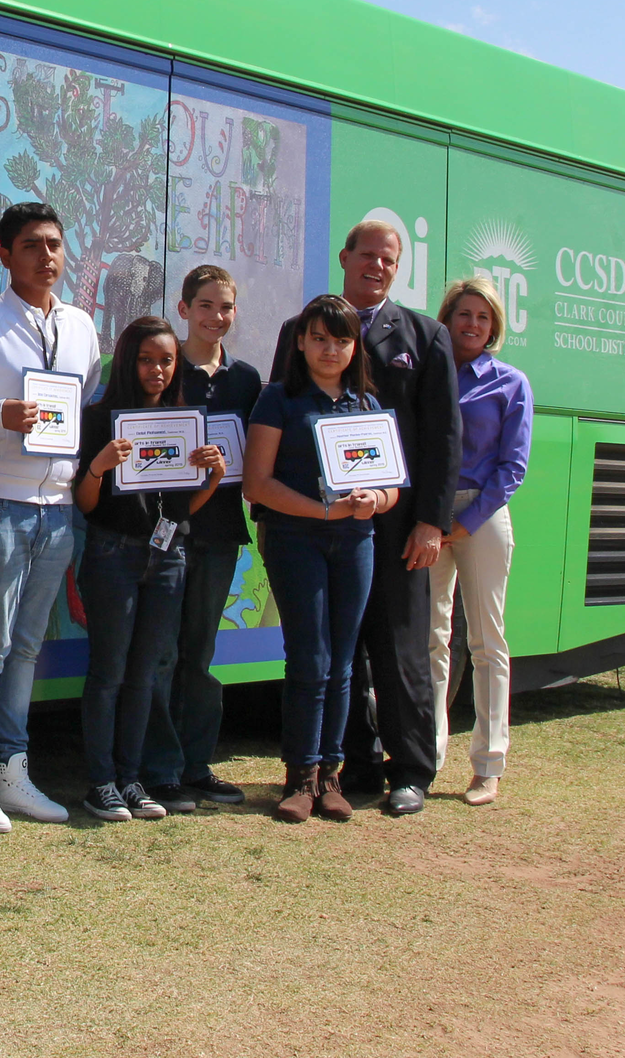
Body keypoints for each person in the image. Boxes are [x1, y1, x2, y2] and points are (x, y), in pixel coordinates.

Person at [269, 221, 460, 816]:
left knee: (400, 647)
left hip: (396, 524)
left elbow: (441, 437)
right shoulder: (297, 331)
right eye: (367, 255)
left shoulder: (426, 337)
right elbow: (277, 427)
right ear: (345, 256)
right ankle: (342, 768)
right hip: (315, 524)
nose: (376, 266)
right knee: (335, 650)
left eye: (388, 259)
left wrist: (431, 521)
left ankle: (410, 770)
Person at [0, 200, 101, 831]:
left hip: (56, 510)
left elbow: (82, 402)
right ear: (5, 255)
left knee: (27, 647)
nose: (47, 256)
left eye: (55, 244)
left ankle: (12, 770)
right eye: (32, 245)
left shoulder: (83, 327)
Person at [245, 294, 399, 824]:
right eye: (319, 338)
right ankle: (299, 775)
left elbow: (390, 488)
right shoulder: (278, 399)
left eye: (340, 340)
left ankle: (331, 775)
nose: (329, 350)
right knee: (308, 657)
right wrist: (322, 512)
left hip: (356, 542)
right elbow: (257, 485)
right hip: (296, 541)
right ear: (301, 341)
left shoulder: (368, 407)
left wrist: (374, 501)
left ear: (355, 347)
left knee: (343, 659)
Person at [72, 317, 224, 822]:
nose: (156, 370)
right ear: (127, 362)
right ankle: (101, 782)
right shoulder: (100, 418)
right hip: (112, 553)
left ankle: (132, 778)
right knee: (110, 672)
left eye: (166, 360)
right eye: (145, 359)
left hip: (168, 557)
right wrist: (99, 465)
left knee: (145, 675)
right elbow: (87, 505)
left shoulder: (185, 421)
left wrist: (212, 477)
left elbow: (184, 509)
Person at [138, 265, 261, 812]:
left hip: (219, 533)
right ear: (184, 309)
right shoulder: (166, 370)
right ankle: (159, 770)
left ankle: (196, 764)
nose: (217, 316)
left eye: (226, 307)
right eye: (206, 305)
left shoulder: (245, 379)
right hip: (166, 532)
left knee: (200, 654)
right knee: (161, 654)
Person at [428, 277, 532, 807]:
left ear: (494, 327)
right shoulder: (428, 373)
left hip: (482, 515)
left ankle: (488, 766)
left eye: (483, 317)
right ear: (448, 317)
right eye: (464, 314)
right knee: (430, 637)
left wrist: (466, 524)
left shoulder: (511, 383)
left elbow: (513, 467)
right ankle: (427, 756)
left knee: (487, 643)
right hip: (428, 515)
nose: (472, 325)